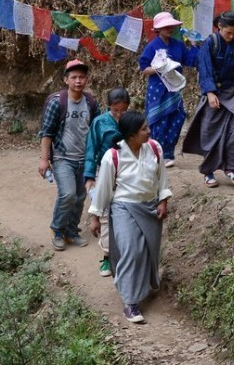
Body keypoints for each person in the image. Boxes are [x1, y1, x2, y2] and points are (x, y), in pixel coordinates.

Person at [88, 111, 171, 324]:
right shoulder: (113, 156)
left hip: (150, 207)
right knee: (131, 250)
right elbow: (104, 189)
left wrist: (163, 200)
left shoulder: (154, 148)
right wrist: (95, 216)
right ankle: (131, 302)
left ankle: (143, 284)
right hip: (124, 207)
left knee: (148, 250)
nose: (149, 131)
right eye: (144, 129)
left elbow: (162, 177)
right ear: (131, 135)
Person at [182, 10, 234, 187]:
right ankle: (208, 172)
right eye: (228, 32)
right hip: (214, 92)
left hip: (232, 92)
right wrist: (210, 93)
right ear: (219, 26)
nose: (231, 36)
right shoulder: (210, 43)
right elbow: (205, 69)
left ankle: (231, 169)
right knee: (210, 132)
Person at [38, 59, 101, 251]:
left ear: (87, 79)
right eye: (74, 77)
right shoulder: (57, 102)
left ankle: (72, 232)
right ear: (66, 80)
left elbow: (97, 129)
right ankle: (57, 230)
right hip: (62, 157)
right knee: (68, 194)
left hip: (85, 158)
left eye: (82, 77)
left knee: (80, 196)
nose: (78, 81)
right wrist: (43, 159)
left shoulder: (90, 102)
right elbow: (46, 132)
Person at [138, 11, 199, 168]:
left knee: (177, 118)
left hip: (174, 88)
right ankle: (157, 154)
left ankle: (168, 153)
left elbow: (191, 60)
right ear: (158, 29)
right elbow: (144, 68)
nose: (169, 28)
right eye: (165, 26)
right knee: (158, 120)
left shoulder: (178, 45)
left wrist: (193, 45)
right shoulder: (152, 47)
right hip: (158, 90)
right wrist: (159, 68)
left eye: (171, 26)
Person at [84, 87, 130, 277]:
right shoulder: (99, 123)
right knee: (104, 213)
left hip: (128, 173)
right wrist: (89, 177)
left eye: (123, 110)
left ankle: (125, 258)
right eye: (115, 110)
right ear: (108, 106)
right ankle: (106, 257)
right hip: (105, 172)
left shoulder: (132, 121)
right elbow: (91, 149)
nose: (119, 114)